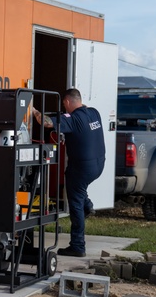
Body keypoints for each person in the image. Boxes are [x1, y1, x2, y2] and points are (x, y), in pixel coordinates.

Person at [32, 88, 105, 257]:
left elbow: (47, 122)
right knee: (78, 189)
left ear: (66, 102)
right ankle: (87, 206)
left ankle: (78, 246)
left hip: (82, 168)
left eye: (64, 105)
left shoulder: (72, 119)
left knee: (75, 202)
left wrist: (34, 110)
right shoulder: (94, 113)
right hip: (99, 165)